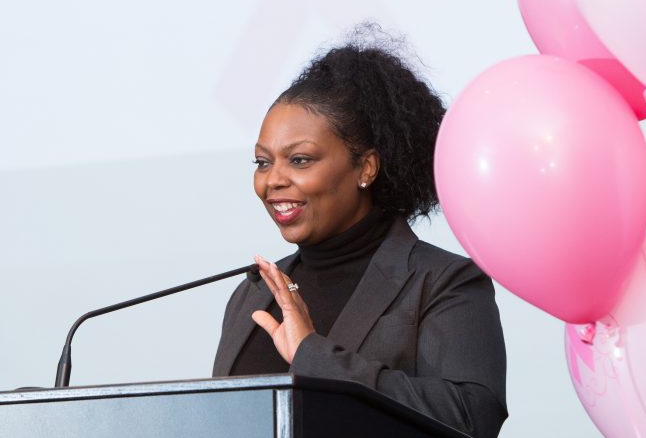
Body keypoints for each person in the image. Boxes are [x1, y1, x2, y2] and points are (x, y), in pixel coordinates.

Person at [212, 29, 507, 437]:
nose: (272, 181)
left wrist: (313, 355)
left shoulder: (443, 282)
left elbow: (471, 418)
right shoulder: (254, 292)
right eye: (262, 163)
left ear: (366, 168)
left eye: (299, 160)